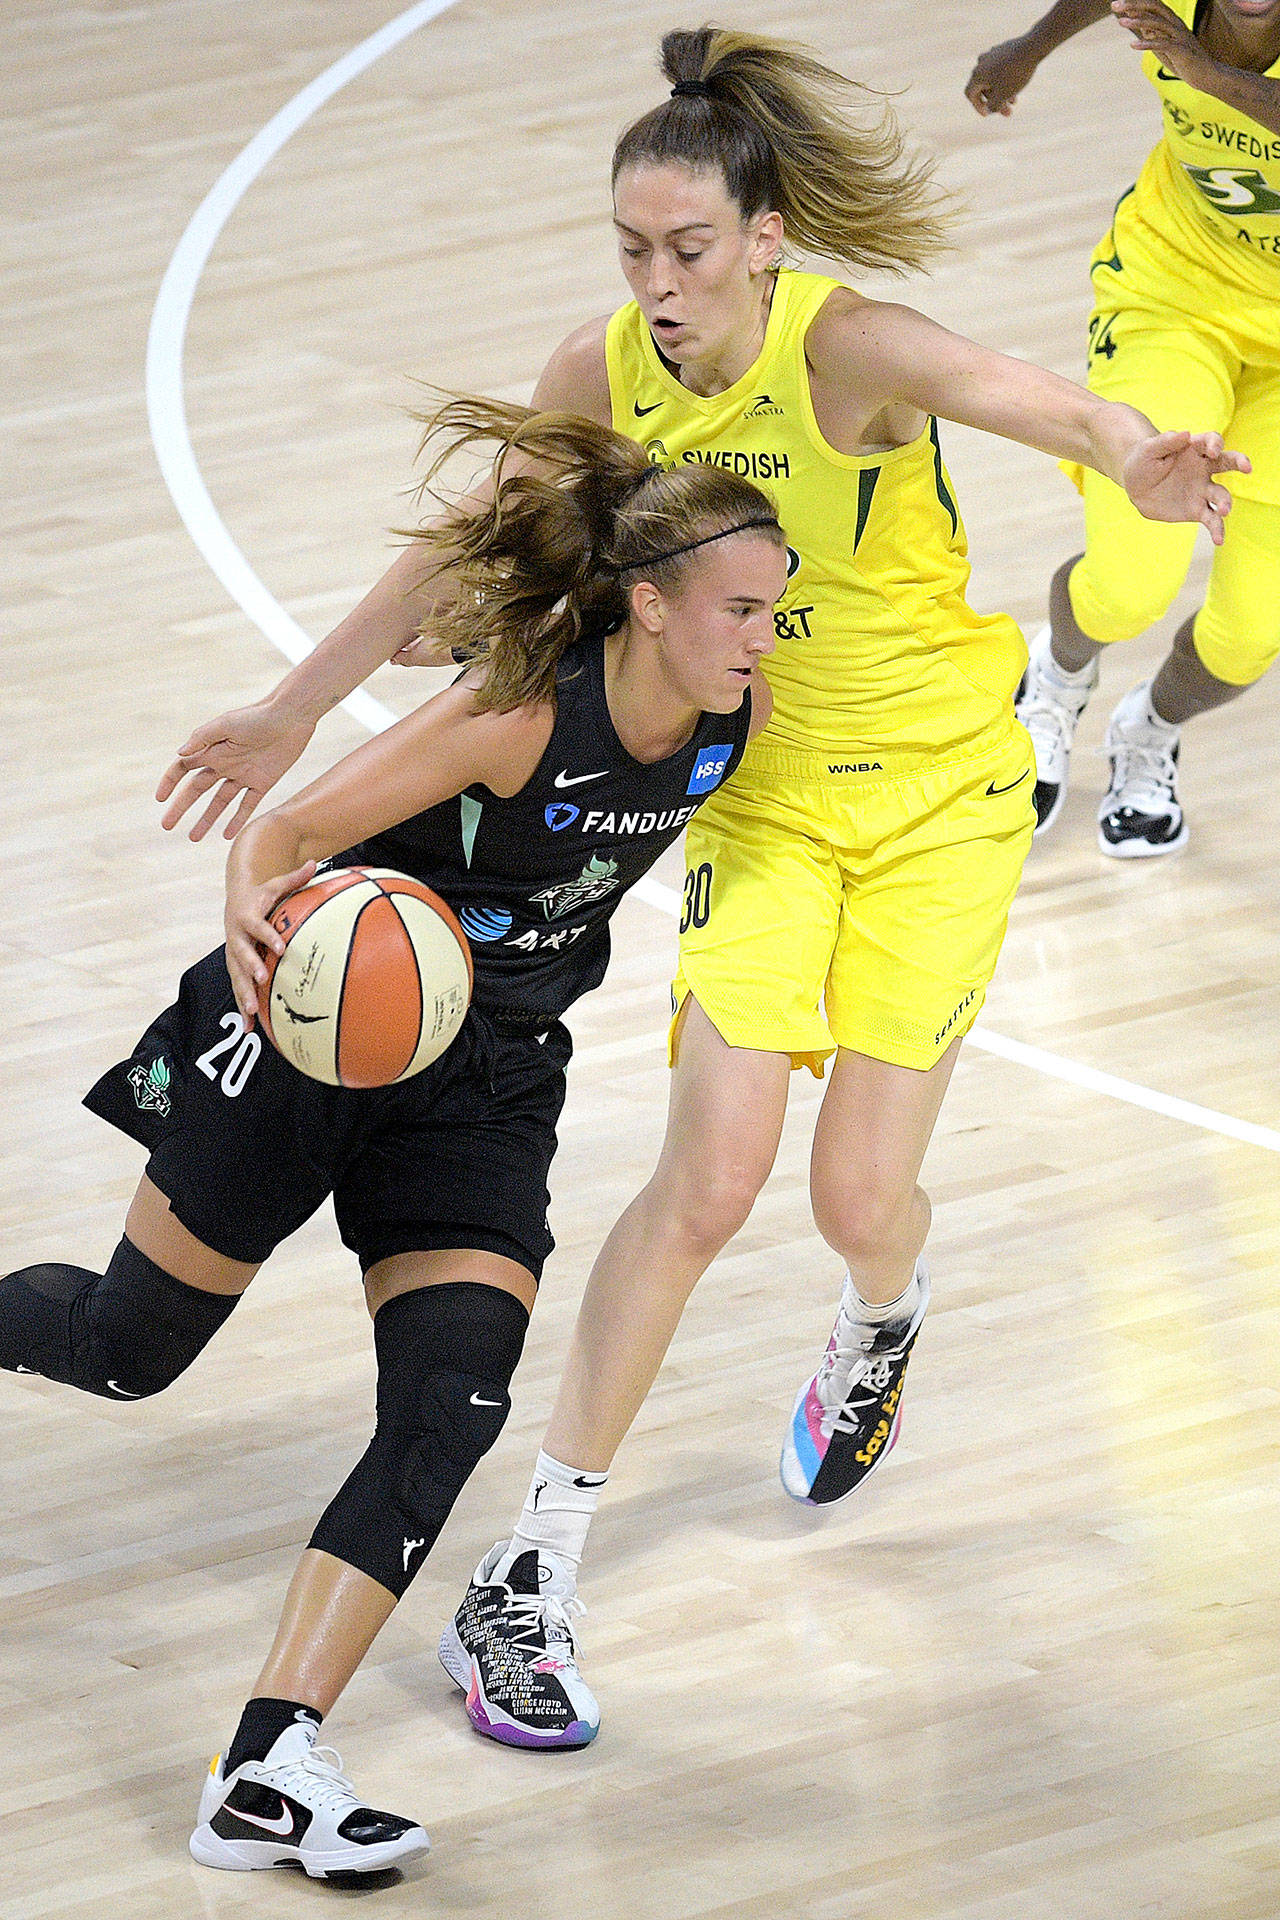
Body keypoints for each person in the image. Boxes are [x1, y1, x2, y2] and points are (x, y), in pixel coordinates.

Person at [156, 26, 1245, 1753]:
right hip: (763, 814)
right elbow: (464, 545)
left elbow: (1034, 395)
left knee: (856, 1204)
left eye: (685, 250)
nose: (655, 286)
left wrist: (1132, 455)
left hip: (947, 809)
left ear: (763, 241)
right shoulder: (604, 370)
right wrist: (292, 706)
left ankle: (885, 1316)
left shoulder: (848, 354)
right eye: (630, 249)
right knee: (709, 1179)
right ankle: (540, 1563)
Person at [0, 395, 784, 1877]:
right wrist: (252, 900)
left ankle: (266, 1765)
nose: (764, 635)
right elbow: (288, 834)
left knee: (454, 1400)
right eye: (742, 608)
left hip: (487, 1080)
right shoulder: (515, 710)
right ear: (648, 603)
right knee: (127, 1345)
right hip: (314, 1040)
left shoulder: (733, 715)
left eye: (774, 610)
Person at [967, 0, 1280, 853]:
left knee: (1251, 633)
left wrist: (1210, 77)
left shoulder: (1205, 54)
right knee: (1133, 576)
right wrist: (1030, 48)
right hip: (1175, 293)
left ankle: (1149, 729)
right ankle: (1058, 678)